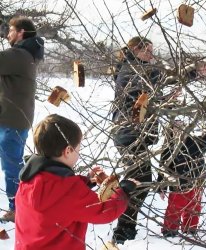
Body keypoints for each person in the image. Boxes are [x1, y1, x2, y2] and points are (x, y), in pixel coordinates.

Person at [15, 114, 137, 249]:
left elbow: (59, 202)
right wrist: (123, 191)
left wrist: (85, 182)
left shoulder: (28, 181)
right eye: (78, 149)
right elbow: (103, 212)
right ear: (68, 151)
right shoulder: (70, 191)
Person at [111, 36, 161, 244]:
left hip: (135, 134)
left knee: (139, 180)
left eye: (152, 49)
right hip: (130, 134)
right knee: (139, 181)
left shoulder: (137, 68)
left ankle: (126, 227)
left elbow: (146, 94)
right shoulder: (131, 69)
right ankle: (123, 228)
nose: (151, 54)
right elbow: (138, 94)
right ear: (134, 50)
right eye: (147, 50)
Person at [0, 16, 44, 222]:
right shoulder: (25, 55)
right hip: (11, 118)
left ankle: (18, 208)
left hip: (11, 121)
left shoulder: (19, 54)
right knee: (12, 164)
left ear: (21, 33)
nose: (7, 34)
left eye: (10, 30)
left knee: (11, 166)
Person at [157, 120, 206, 237]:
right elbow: (163, 167)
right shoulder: (169, 148)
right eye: (175, 129)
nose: (179, 131)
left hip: (197, 180)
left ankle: (190, 229)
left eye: (182, 128)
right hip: (178, 183)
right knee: (175, 207)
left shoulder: (195, 143)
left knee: (194, 207)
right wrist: (161, 187)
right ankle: (170, 229)